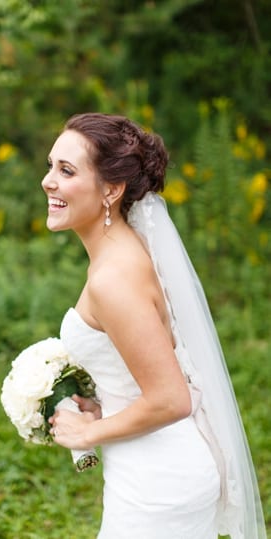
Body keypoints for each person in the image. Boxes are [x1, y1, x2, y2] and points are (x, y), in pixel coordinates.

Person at [42, 113, 265, 538]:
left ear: (111, 189)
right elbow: (150, 372)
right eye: (51, 166)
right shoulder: (126, 252)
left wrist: (88, 432)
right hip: (155, 468)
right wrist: (107, 407)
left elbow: (171, 399)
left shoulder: (112, 279)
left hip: (158, 485)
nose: (48, 181)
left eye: (66, 171)